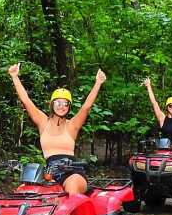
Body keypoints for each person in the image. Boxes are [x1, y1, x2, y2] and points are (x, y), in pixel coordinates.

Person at [8, 63, 106, 195]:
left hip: (71, 171)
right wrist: (14, 77)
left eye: (65, 103)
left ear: (69, 107)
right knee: (23, 192)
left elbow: (86, 107)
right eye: (58, 103)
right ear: (52, 104)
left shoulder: (72, 125)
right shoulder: (43, 122)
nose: (62, 106)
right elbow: (26, 101)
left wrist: (98, 83)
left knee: (72, 188)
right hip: (49, 173)